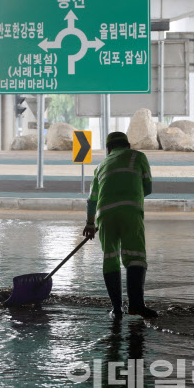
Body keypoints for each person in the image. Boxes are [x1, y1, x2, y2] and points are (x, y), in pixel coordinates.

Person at [82, 131, 158, 320]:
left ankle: (117, 309)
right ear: (128, 145)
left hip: (104, 214)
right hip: (130, 211)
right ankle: (136, 305)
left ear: (108, 149)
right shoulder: (138, 156)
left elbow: (92, 199)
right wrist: (130, 196)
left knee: (110, 258)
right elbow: (148, 187)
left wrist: (90, 224)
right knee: (135, 257)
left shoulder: (100, 166)